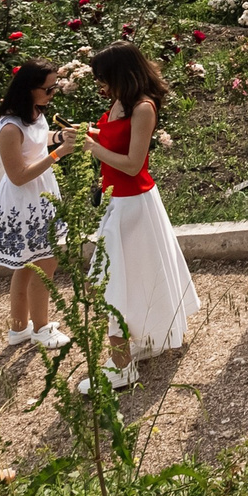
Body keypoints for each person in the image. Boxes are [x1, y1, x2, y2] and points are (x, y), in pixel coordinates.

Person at [76, 45, 199, 388]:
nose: (100, 85)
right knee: (133, 277)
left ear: (121, 74)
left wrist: (92, 147)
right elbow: (115, 139)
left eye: (103, 78)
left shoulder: (144, 107)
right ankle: (144, 339)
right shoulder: (119, 102)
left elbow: (132, 163)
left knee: (113, 281)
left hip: (135, 204)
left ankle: (121, 367)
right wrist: (89, 133)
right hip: (119, 202)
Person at [0, 61, 77, 349]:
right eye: (49, 88)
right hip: (23, 201)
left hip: (39, 196)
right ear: (29, 89)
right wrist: (59, 153)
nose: (53, 92)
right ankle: (41, 328)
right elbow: (18, 176)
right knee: (44, 262)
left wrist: (59, 137)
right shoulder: (9, 128)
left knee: (27, 265)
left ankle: (19, 329)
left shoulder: (33, 114)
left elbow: (39, 138)